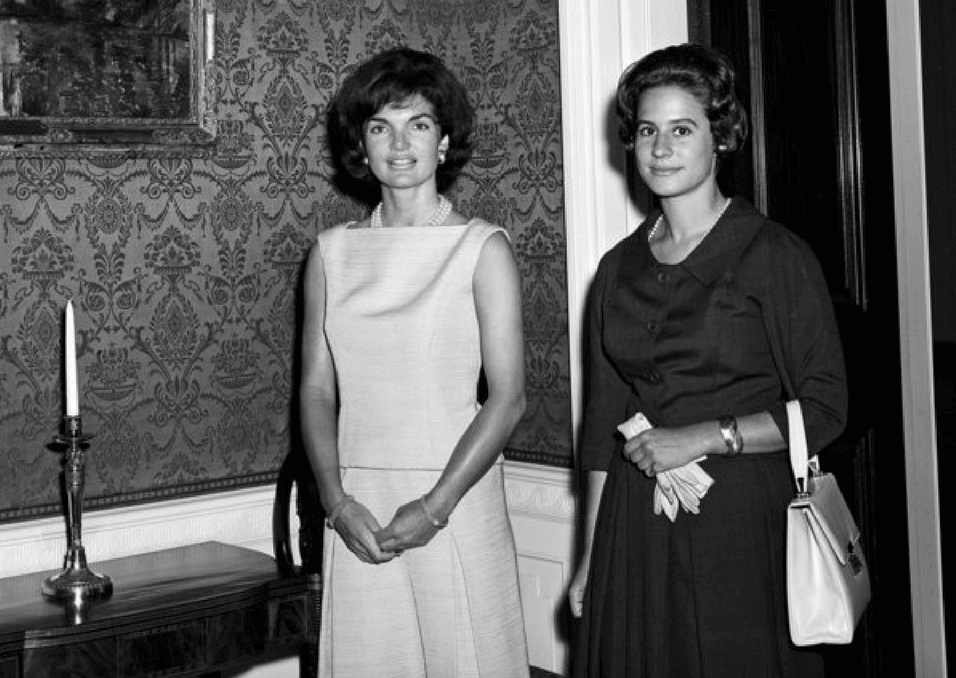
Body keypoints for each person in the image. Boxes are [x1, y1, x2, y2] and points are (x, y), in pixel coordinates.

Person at [568, 44, 848, 678]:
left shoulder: (773, 256)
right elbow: (601, 427)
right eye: (647, 130)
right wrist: (587, 557)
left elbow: (827, 409)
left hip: (744, 528)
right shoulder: (616, 269)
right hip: (634, 529)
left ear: (719, 139)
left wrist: (704, 437)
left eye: (681, 129)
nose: (660, 148)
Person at [299, 47, 531, 677]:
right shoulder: (329, 254)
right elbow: (317, 391)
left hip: (453, 494)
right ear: (361, 144)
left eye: (418, 124)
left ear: (444, 138)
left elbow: (509, 397)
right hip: (359, 507)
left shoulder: (481, 248)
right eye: (381, 127)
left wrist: (435, 506)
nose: (399, 145)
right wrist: (335, 501)